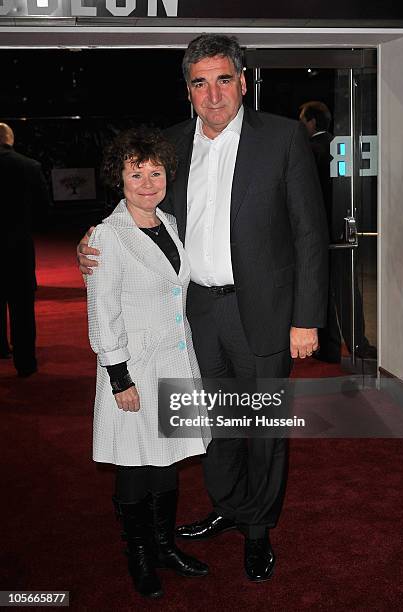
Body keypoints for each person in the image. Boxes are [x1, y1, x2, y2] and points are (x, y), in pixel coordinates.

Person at [79, 35, 328, 583]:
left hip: (261, 313)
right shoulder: (170, 145)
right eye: (200, 82)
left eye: (223, 79)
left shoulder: (283, 138)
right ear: (188, 90)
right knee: (215, 424)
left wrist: (306, 317)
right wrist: (93, 238)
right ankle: (229, 505)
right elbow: (140, 206)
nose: (213, 93)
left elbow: (311, 234)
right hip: (193, 319)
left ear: (243, 81)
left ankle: (258, 529)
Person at [86, 126, 210, 599]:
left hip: (176, 361)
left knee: (169, 459)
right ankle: (138, 552)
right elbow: (102, 310)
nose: (146, 182)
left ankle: (164, 546)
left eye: (155, 172)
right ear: (117, 178)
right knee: (135, 465)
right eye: (135, 173)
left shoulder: (172, 225)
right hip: (134, 369)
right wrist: (119, 377)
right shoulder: (107, 236)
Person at [0, 122, 49, 376]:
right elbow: (43, 210)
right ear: (11, 139)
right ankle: (25, 362)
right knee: (21, 307)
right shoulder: (29, 167)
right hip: (18, 246)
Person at [299, 101, 342, 363]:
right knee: (344, 294)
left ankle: (328, 348)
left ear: (312, 122)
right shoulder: (335, 146)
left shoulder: (312, 150)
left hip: (321, 231)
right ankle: (347, 343)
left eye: (303, 120)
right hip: (338, 228)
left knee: (322, 291)